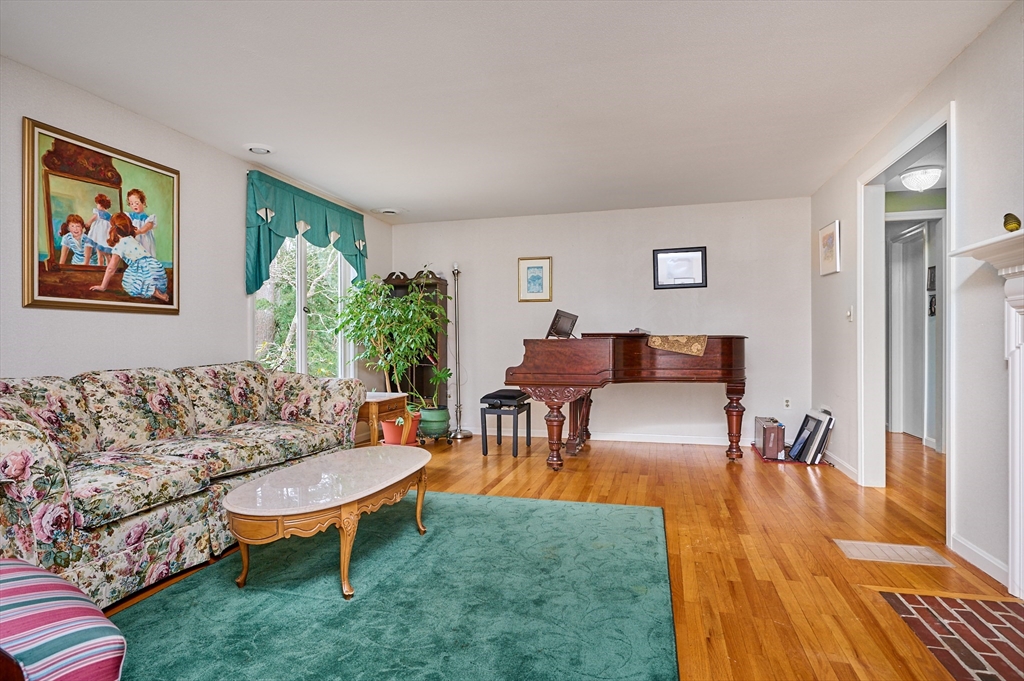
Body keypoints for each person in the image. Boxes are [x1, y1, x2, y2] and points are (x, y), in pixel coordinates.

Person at [89, 212, 169, 302]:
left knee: (128, 283)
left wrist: (103, 286)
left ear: (113, 229)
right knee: (149, 278)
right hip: (155, 267)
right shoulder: (131, 239)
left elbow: (111, 269)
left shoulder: (119, 246)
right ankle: (156, 289)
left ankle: (153, 291)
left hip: (142, 268)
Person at [83, 193, 113, 266]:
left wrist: (86, 224)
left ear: (100, 204)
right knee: (105, 253)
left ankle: (87, 263)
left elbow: (90, 221)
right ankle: (106, 266)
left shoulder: (97, 213)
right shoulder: (110, 216)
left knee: (91, 248)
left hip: (96, 234)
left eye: (98, 204)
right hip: (104, 236)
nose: (97, 205)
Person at [126, 188, 157, 258]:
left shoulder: (147, 218)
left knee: (145, 251)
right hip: (133, 238)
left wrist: (139, 231)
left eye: (137, 203)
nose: (134, 205)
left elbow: (148, 226)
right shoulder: (130, 217)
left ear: (143, 203)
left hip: (144, 237)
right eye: (131, 203)